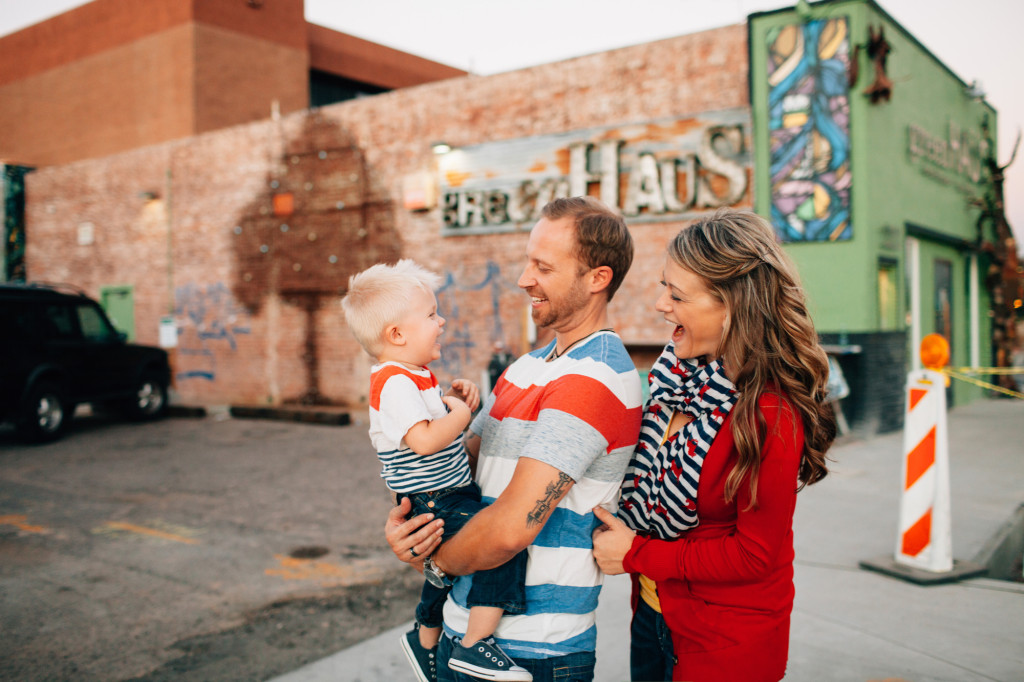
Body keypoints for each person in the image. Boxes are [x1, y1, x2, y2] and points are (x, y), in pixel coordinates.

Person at [385, 196, 643, 682]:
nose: (524, 279)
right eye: (528, 261)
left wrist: (435, 558)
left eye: (543, 266)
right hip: (460, 638)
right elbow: (455, 471)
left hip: (535, 653)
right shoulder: (524, 369)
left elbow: (510, 528)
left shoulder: (597, 379)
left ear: (597, 279)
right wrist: (411, 524)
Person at [591, 208, 836, 682]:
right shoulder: (675, 378)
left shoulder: (770, 413)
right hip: (654, 615)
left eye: (677, 294)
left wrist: (637, 553)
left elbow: (754, 554)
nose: (661, 305)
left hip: (723, 641)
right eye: (665, 287)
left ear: (733, 306)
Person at [341, 259, 532, 682]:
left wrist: (456, 402)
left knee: (442, 574)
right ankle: (474, 646)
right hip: (434, 499)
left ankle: (424, 639)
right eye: (430, 315)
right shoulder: (392, 382)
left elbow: (434, 433)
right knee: (500, 544)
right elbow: (426, 440)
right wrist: (462, 415)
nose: (441, 321)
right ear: (396, 334)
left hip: (444, 493)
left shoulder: (413, 376)